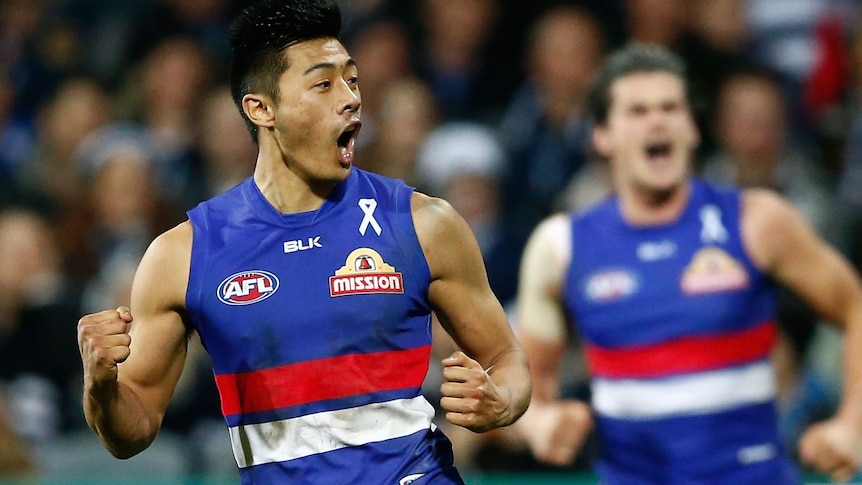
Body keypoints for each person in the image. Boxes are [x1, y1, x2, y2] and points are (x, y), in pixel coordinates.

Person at [75, 1, 531, 484]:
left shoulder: (423, 223)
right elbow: (135, 427)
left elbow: (507, 359)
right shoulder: (184, 255)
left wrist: (500, 401)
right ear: (261, 108)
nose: (351, 98)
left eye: (352, 80)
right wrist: (101, 386)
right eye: (323, 83)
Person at [514, 42, 862, 484]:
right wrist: (538, 424)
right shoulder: (559, 247)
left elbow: (856, 310)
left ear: (693, 128)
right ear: (602, 135)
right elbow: (524, 385)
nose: (657, 120)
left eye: (671, 107)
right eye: (637, 111)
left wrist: (853, 424)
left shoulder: (758, 221)